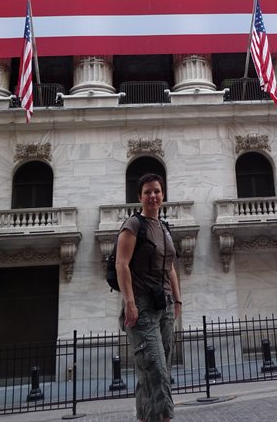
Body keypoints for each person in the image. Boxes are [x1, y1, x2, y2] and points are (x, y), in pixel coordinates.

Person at [116, 173, 182, 422]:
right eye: (147, 192)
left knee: (152, 371)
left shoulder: (164, 228)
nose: (152, 195)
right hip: (142, 305)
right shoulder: (133, 225)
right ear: (140, 197)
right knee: (157, 369)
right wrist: (130, 302)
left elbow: (171, 267)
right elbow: (122, 265)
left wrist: (177, 300)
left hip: (163, 304)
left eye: (156, 191)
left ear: (163, 195)